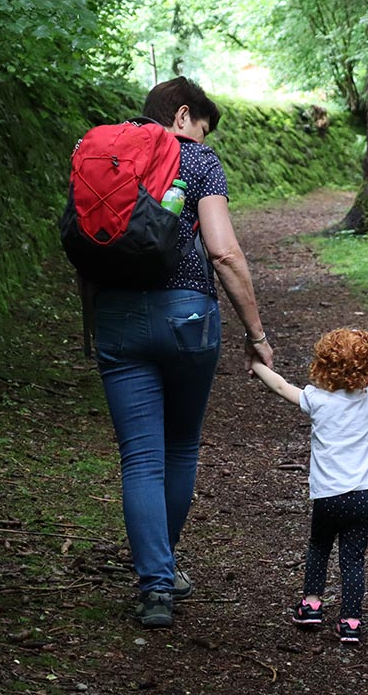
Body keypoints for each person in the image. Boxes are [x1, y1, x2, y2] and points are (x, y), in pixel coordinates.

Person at [95, 76, 274, 629]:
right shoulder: (197, 161)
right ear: (181, 116)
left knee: (140, 457)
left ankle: (155, 585)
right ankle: (163, 566)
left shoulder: (105, 156)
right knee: (178, 449)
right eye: (199, 125)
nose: (199, 136)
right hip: (187, 316)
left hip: (117, 316)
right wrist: (256, 333)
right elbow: (223, 252)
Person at [250, 328, 368, 644]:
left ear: (323, 365)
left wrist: (257, 365)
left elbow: (280, 385)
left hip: (327, 497)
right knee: (353, 559)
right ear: (366, 367)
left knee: (319, 546)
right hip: (362, 497)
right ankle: (351, 622)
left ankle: (312, 604)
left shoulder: (317, 400)